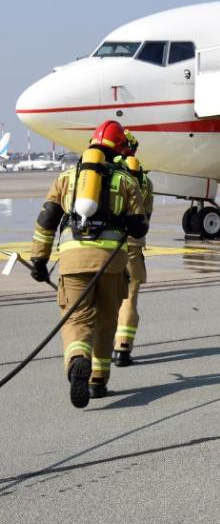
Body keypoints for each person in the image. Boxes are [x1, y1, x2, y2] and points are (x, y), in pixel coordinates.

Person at [29, 120, 148, 408]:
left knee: (76, 319)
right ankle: (98, 382)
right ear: (119, 149)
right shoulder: (126, 180)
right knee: (107, 321)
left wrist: (39, 259)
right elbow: (138, 227)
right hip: (112, 263)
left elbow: (47, 219)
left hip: (73, 260)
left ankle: (77, 360)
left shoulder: (67, 178)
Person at [113, 131, 154, 367]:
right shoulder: (146, 182)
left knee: (104, 300)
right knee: (129, 299)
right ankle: (123, 350)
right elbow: (144, 220)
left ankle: (101, 347)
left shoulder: (109, 175)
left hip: (104, 248)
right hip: (132, 249)